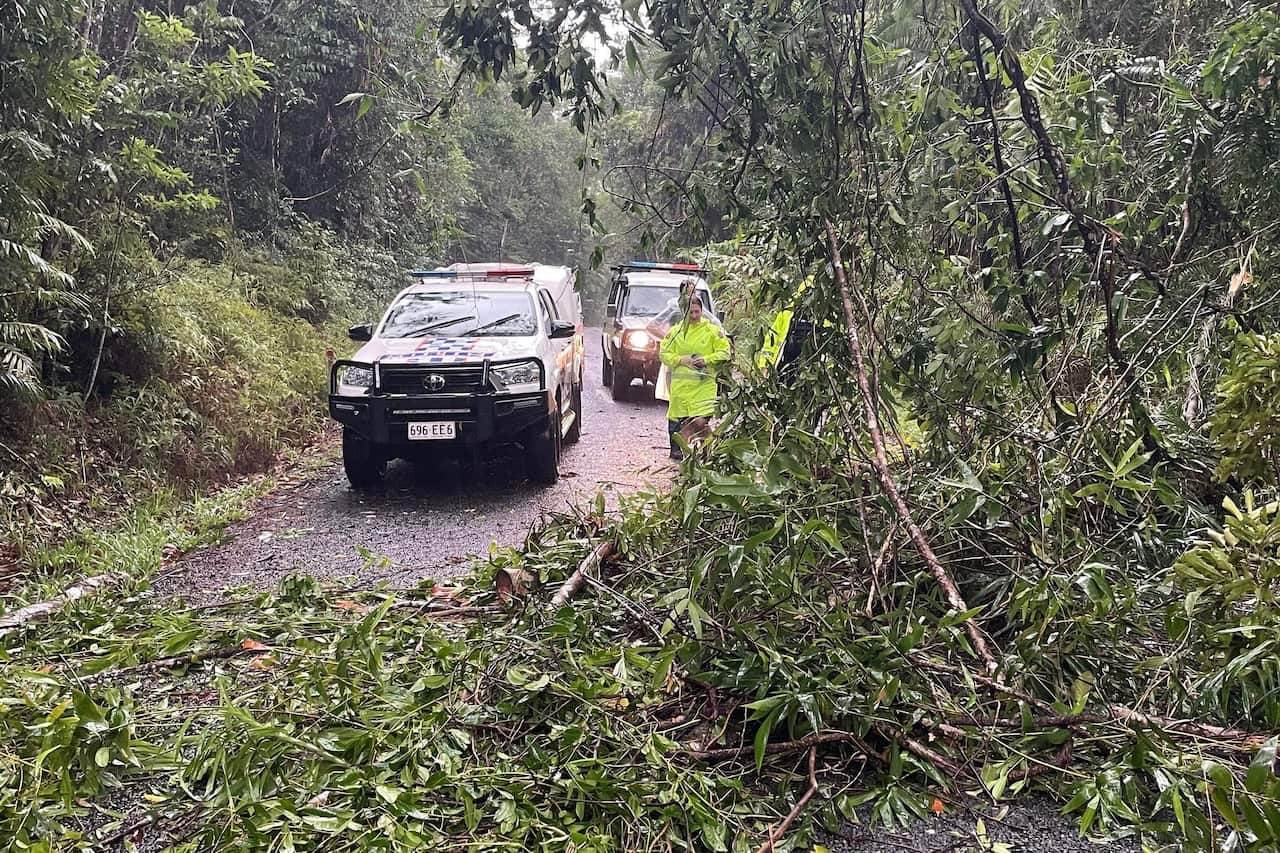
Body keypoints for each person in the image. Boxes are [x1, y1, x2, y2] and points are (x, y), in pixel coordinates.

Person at [658, 289, 731, 459]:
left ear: (702, 311)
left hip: (704, 386)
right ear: (684, 313)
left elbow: (725, 353)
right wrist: (679, 360)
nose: (694, 315)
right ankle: (681, 451)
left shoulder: (712, 331)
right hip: (680, 388)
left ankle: (708, 450)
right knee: (677, 421)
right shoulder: (676, 332)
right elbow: (663, 353)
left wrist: (707, 359)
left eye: (697, 311)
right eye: (690, 312)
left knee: (699, 422)